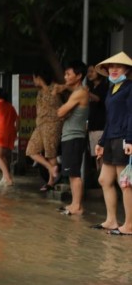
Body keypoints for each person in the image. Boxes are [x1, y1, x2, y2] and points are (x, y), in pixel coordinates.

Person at [91, 52, 132, 235]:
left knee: (125, 183)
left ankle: (129, 225)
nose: (114, 70)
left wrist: (130, 139)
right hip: (111, 139)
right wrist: (101, 141)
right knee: (104, 179)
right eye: (111, 67)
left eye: (119, 66)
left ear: (127, 69)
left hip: (124, 138)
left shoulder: (130, 87)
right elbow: (110, 119)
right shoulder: (111, 89)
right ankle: (111, 220)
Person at [52, 61, 89, 215]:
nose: (66, 77)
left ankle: (77, 206)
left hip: (74, 136)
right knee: (71, 173)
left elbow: (60, 113)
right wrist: (64, 88)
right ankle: (74, 204)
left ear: (79, 76)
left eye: (69, 74)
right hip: (71, 136)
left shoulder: (80, 92)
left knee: (74, 173)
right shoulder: (77, 91)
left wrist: (57, 96)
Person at [25, 71, 63, 192]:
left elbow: (55, 104)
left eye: (34, 78)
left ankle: (51, 182)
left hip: (52, 124)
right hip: (40, 124)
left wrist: (46, 86)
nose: (33, 81)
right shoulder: (40, 92)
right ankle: (51, 169)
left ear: (39, 77)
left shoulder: (54, 88)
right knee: (31, 150)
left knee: (50, 153)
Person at [86, 63, 109, 171]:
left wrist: (88, 93)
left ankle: (104, 178)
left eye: (92, 71)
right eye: (88, 72)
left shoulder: (104, 87)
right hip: (93, 126)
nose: (89, 74)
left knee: (101, 154)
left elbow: (99, 99)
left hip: (100, 126)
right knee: (96, 155)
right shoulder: (92, 88)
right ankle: (101, 178)